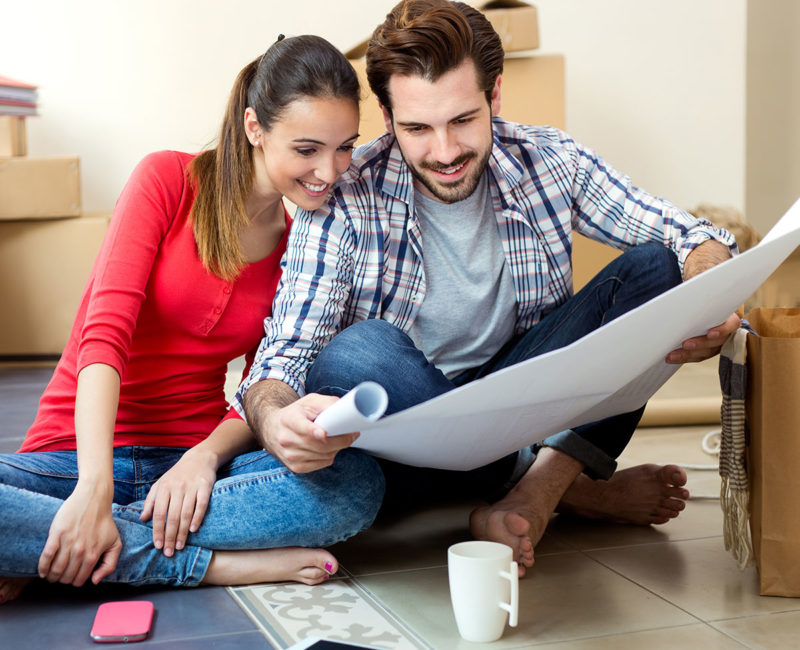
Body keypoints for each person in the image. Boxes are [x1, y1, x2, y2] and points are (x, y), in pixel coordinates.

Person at [237, 0, 740, 576]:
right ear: (385, 113)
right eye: (418, 128)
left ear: (494, 95)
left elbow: (690, 235)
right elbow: (284, 357)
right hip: (407, 440)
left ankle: (536, 491)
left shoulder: (549, 161)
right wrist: (274, 418)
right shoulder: (347, 196)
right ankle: (557, 486)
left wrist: (706, 296)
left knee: (656, 271)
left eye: (463, 121)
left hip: (515, 401)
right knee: (358, 352)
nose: (445, 152)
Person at [0, 34, 385, 605]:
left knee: (355, 485)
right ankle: (205, 565)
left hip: (193, 462)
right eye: (307, 149)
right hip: (72, 455)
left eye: (344, 148)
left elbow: (265, 384)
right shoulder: (165, 180)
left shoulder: (306, 241)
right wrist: (91, 488)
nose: (329, 172)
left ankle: (50, 547)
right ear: (255, 127)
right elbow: (101, 339)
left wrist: (201, 457)